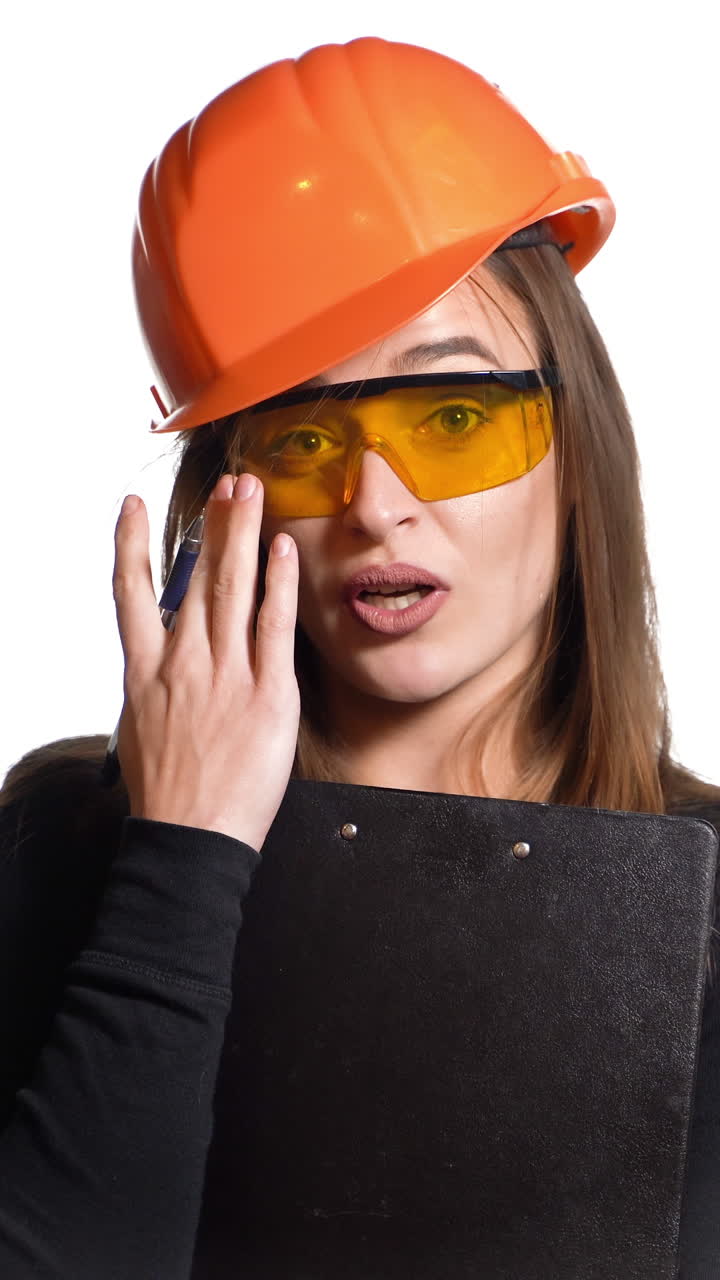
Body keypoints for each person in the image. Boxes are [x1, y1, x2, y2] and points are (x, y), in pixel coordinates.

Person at [1, 35, 719, 1279]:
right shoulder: (60, 842)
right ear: (228, 493)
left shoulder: (706, 902)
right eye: (301, 437)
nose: (376, 505)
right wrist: (182, 852)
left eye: (452, 416)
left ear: (579, 442)